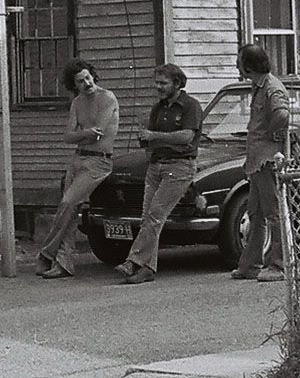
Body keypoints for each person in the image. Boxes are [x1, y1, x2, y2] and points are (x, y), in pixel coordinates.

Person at [116, 63, 203, 285]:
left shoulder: (190, 106)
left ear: (177, 83)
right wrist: (146, 139)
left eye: (163, 83)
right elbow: (150, 140)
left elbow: (186, 137)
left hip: (179, 166)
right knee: (148, 217)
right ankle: (148, 267)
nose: (158, 87)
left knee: (156, 214)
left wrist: (154, 135)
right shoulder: (158, 108)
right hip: (156, 165)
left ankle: (133, 261)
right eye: (156, 83)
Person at [36, 58, 119, 279]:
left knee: (67, 202)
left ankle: (46, 252)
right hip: (77, 159)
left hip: (99, 161)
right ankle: (64, 264)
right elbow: (67, 136)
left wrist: (81, 134)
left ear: (93, 76)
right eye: (81, 82)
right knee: (70, 213)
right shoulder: (77, 103)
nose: (87, 84)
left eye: (88, 78)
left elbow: (98, 131)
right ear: (75, 85)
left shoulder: (107, 97)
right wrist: (85, 134)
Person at [231, 43, 290, 282]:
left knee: (273, 212)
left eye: (240, 61)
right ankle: (250, 264)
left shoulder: (272, 88)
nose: (237, 65)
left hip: (267, 160)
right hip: (255, 160)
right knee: (254, 212)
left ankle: (278, 264)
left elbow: (282, 115)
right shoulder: (258, 87)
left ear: (249, 64)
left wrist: (271, 135)